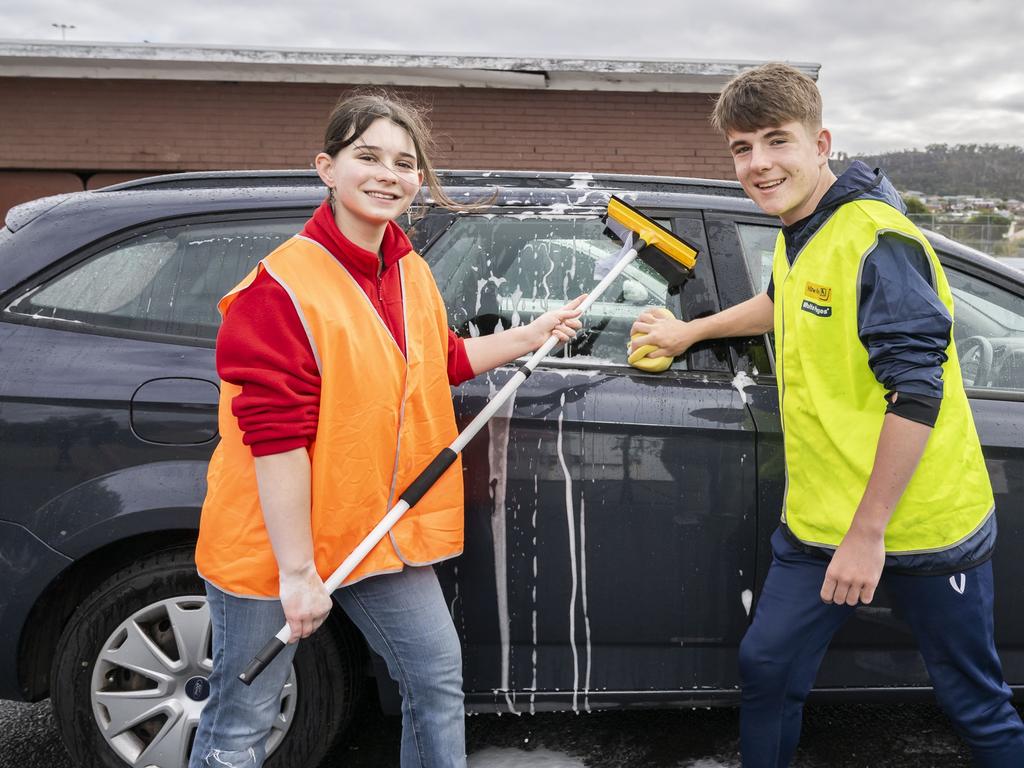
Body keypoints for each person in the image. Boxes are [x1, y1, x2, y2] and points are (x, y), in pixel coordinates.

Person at [630, 63, 1024, 767]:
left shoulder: (879, 240)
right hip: (818, 520)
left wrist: (869, 535)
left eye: (776, 141)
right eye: (742, 148)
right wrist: (689, 333)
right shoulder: (805, 226)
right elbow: (786, 299)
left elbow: (918, 392)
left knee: (973, 700)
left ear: (822, 143)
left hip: (919, 525)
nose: (758, 163)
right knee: (769, 667)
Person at [190, 91, 584, 768]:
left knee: (434, 679)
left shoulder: (409, 272)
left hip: (373, 528)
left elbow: (443, 361)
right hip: (271, 544)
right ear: (327, 167)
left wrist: (534, 333)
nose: (388, 174)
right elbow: (276, 438)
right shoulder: (279, 289)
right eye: (367, 156)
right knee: (242, 720)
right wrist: (295, 575)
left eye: (405, 163)